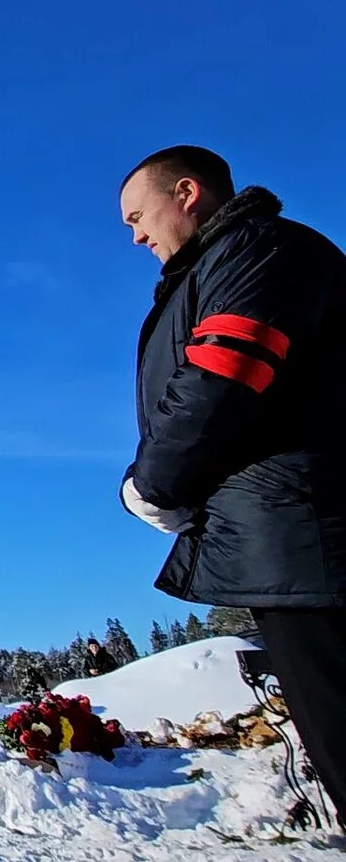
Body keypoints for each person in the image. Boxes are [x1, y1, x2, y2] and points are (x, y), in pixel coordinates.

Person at [117, 144, 346, 827]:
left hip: (307, 534)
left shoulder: (260, 251)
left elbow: (224, 372)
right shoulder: (221, 262)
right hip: (286, 535)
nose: (134, 235)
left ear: (186, 191)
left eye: (137, 215)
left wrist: (153, 484)